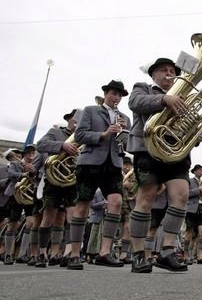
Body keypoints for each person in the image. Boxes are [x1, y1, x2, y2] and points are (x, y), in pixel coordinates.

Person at [128, 57, 193, 273]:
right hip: (148, 149)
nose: (169, 73)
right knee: (146, 197)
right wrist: (165, 99)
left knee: (181, 196)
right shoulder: (143, 88)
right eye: (163, 70)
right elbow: (135, 103)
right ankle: (138, 254)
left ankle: (167, 251)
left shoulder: (183, 93)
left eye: (172, 70)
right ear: (153, 74)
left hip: (175, 151)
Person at [69, 80, 131, 270]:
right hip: (90, 162)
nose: (117, 98)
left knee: (116, 203)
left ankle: (104, 252)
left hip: (113, 164)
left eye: (120, 95)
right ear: (106, 94)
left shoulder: (125, 118)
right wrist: (103, 134)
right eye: (114, 94)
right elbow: (79, 136)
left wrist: (123, 136)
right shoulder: (90, 111)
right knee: (82, 207)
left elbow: (127, 145)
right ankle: (73, 254)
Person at [35, 109, 81, 267]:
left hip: (72, 180)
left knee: (71, 217)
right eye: (75, 120)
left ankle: (66, 253)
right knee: (48, 217)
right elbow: (41, 145)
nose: (76, 123)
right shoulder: (55, 132)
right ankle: (42, 254)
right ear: (69, 119)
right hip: (53, 180)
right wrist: (62, 145)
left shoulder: (83, 136)